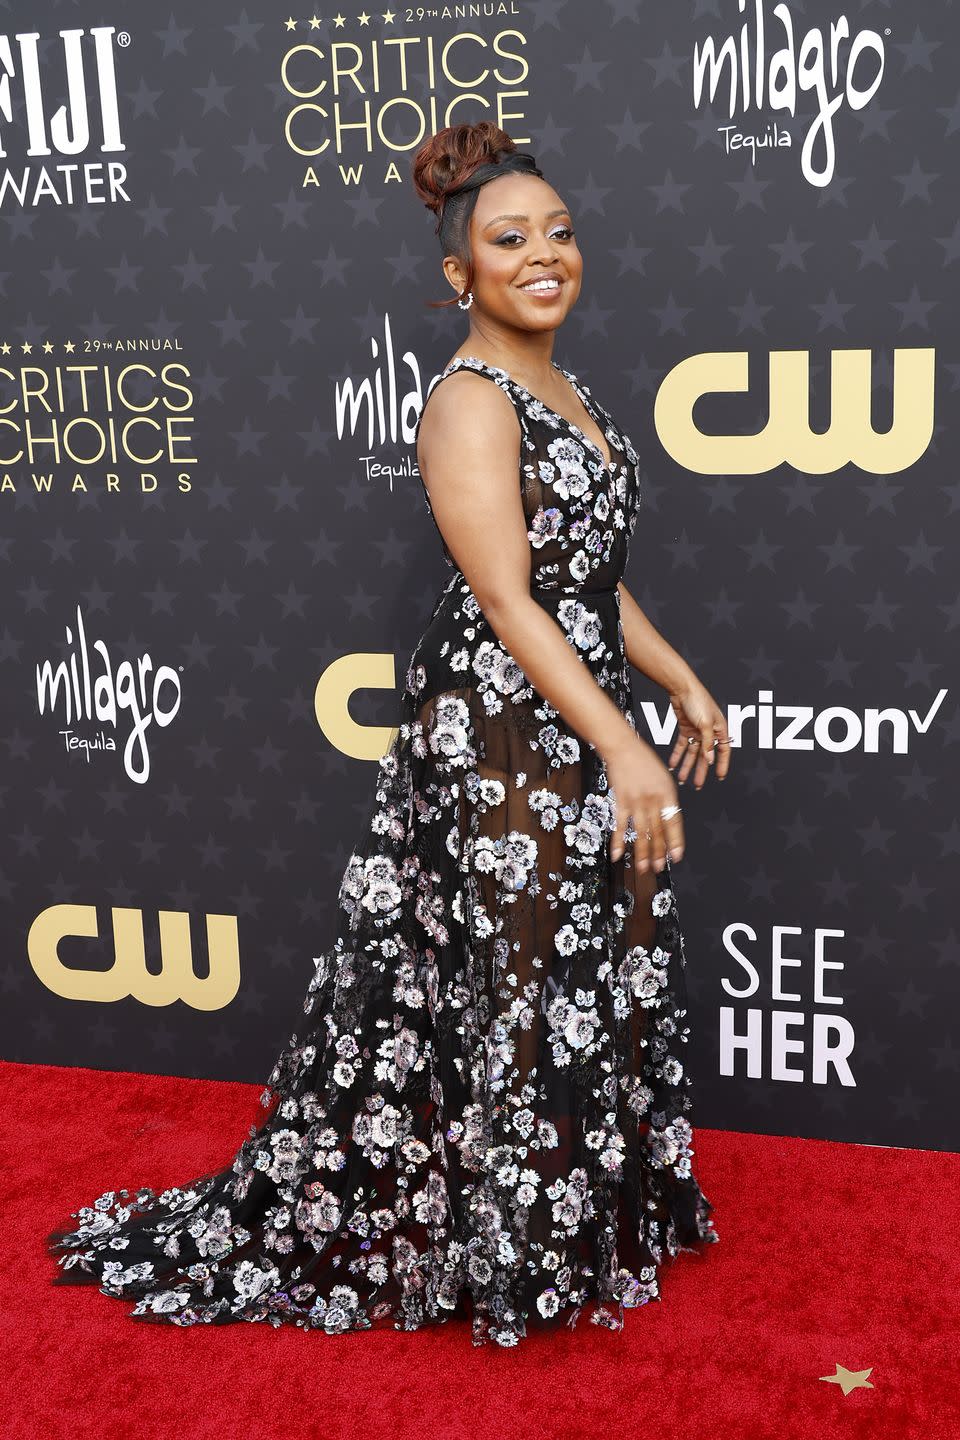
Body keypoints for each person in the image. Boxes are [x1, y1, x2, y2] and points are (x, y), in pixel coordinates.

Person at [45, 121, 727, 1349]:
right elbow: (511, 600)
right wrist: (620, 745)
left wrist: (676, 684)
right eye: (508, 239)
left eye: (559, 232)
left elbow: (590, 578)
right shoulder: (470, 400)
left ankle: (575, 1219)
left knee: (584, 972)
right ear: (461, 274)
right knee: (517, 979)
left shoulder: (573, 394)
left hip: (575, 698)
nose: (543, 255)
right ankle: (509, 1252)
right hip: (503, 723)